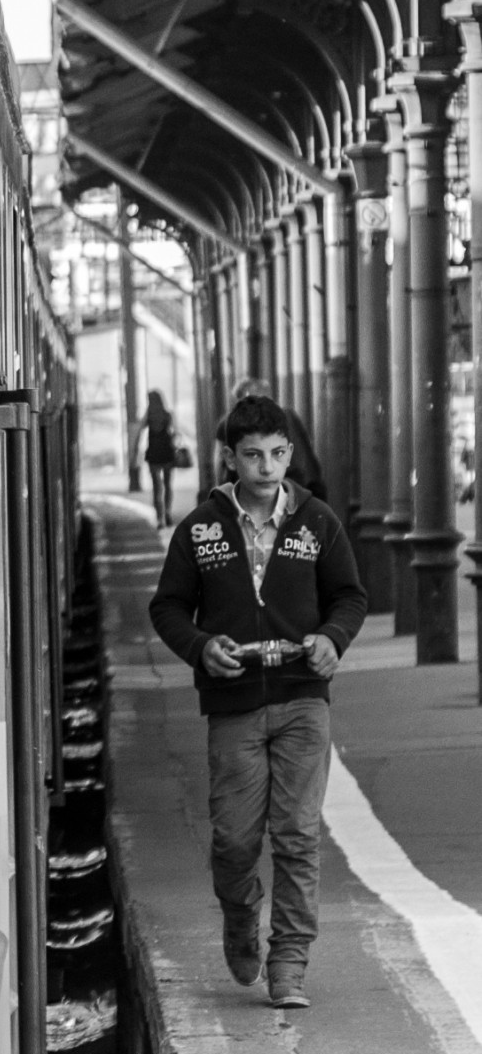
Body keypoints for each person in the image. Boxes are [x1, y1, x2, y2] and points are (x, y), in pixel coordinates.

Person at [149, 394, 366, 1009]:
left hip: (303, 700)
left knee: (297, 835)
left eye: (276, 455)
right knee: (236, 841)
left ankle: (289, 965)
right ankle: (240, 917)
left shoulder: (317, 521)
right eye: (252, 456)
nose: (266, 468)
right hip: (234, 704)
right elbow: (166, 606)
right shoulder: (203, 528)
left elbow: (349, 597)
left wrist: (331, 638)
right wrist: (199, 646)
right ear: (230, 458)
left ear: (289, 454)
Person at [215, 378, 327, 499]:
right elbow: (308, 461)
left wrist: (219, 488)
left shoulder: (229, 421)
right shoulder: (288, 416)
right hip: (298, 489)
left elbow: (219, 461)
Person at [132, 390, 177, 528]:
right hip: (167, 453)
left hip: (153, 455)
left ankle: (159, 518)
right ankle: (168, 512)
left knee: (157, 487)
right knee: (168, 485)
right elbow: (174, 433)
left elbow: (139, 433)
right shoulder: (167, 415)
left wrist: (135, 452)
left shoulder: (148, 417)